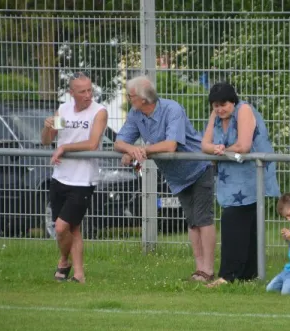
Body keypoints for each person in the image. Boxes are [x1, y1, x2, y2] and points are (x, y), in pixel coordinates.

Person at [114, 76, 216, 282]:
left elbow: (170, 145)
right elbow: (119, 142)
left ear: (143, 99)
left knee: (203, 219)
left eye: (131, 96)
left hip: (198, 168)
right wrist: (131, 150)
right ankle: (199, 269)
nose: (128, 99)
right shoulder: (136, 114)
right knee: (192, 222)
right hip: (177, 177)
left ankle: (209, 270)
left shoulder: (172, 109)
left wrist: (141, 150)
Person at [201, 81, 281, 287]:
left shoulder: (244, 110)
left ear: (233, 101)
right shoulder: (216, 115)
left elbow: (244, 145)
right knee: (242, 225)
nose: (219, 109)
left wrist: (221, 151)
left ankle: (228, 275)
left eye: (223, 104)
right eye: (215, 105)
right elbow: (205, 144)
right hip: (230, 178)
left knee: (234, 223)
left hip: (250, 176)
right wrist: (218, 150)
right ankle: (247, 275)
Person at [41, 71, 108, 284]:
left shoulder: (99, 111)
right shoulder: (63, 109)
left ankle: (63, 260)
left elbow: (92, 144)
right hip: (60, 177)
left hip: (83, 180)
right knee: (72, 229)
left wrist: (64, 148)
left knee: (61, 227)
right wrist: (47, 127)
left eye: (90, 90)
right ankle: (79, 275)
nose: (88, 95)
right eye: (82, 91)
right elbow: (47, 141)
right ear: (72, 93)